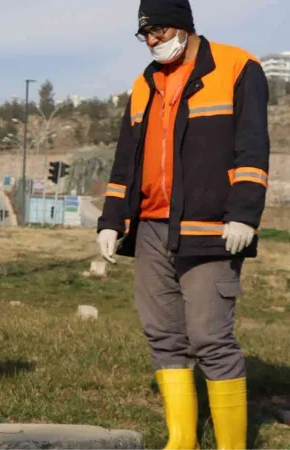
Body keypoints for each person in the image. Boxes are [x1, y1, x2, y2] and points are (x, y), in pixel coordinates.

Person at [96, 0, 270, 448]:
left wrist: (245, 214)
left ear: (184, 26)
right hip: (151, 228)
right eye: (145, 34)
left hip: (211, 228)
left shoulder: (238, 67)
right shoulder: (144, 83)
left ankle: (231, 445)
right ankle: (182, 440)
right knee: (164, 336)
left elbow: (253, 146)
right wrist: (111, 220)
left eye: (158, 30)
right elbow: (125, 162)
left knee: (210, 336)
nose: (152, 41)